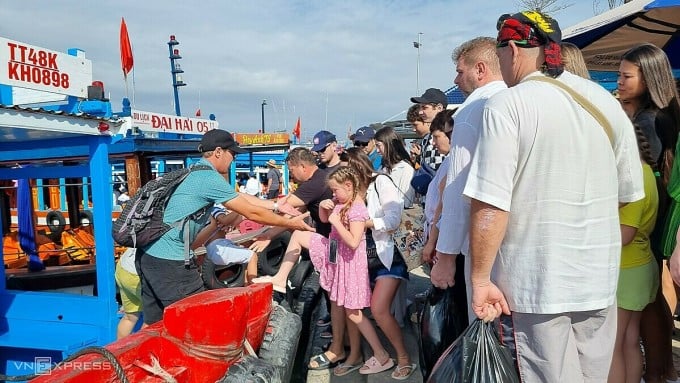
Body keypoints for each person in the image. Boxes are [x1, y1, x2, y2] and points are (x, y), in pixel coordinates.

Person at [464, 11, 643, 382]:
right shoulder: (605, 101)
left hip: (538, 279)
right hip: (598, 275)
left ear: (512, 49)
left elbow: (490, 204)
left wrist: (480, 280)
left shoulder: (507, 105)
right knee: (594, 374)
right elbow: (626, 194)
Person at [137, 129, 314, 325]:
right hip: (170, 260)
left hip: (149, 255)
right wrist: (290, 222)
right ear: (219, 152)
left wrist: (275, 205)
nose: (234, 158)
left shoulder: (196, 172)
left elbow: (239, 197)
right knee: (199, 321)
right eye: (233, 153)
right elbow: (250, 212)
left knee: (154, 324)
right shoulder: (208, 178)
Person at [273, 166, 396, 376]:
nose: (333, 194)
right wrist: (323, 207)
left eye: (335, 190)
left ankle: (381, 354)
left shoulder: (357, 210)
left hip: (350, 266)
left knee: (354, 313)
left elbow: (355, 241)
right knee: (349, 310)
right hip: (338, 259)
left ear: (349, 186)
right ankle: (367, 352)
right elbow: (323, 219)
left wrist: (336, 222)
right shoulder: (342, 203)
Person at [429, 36, 507, 326]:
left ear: (480, 70)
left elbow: (459, 189)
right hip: (517, 240)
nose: (456, 79)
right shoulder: (517, 101)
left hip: (483, 245)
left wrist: (445, 256)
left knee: (485, 328)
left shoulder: (473, 111)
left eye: (461, 71)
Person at [620, 43, 680, 383]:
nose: (620, 83)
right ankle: (664, 369)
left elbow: (645, 172)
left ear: (649, 77)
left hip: (651, 219)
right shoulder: (664, 114)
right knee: (654, 295)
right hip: (661, 215)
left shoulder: (648, 120)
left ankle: (659, 370)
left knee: (650, 300)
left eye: (627, 76)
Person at [343, 147, 415, 379]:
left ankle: (404, 358)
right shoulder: (350, 193)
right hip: (362, 260)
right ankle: (379, 354)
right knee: (353, 306)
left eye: (346, 170)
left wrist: (364, 223)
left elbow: (393, 219)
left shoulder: (381, 182)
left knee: (379, 309)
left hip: (388, 257)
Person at [608, 124, 660, 383]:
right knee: (629, 341)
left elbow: (624, 235)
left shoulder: (631, 177)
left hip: (625, 271)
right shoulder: (648, 171)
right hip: (640, 266)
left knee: (612, 347)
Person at [421, 109, 454, 265]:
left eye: (436, 137)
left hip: (441, 236)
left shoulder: (453, 164)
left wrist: (431, 243)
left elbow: (442, 207)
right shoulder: (448, 161)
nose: (433, 143)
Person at [373, 126, 415, 208]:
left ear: (388, 144)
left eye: (379, 146)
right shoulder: (383, 167)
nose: (377, 150)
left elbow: (405, 201)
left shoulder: (405, 169)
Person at [410, 88, 448, 172]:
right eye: (420, 108)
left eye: (424, 107)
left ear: (439, 108)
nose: (420, 112)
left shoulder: (452, 133)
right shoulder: (427, 138)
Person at [115, 247, 141, 339]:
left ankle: (118, 351)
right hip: (139, 274)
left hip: (124, 267)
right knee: (154, 318)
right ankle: (143, 352)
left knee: (130, 317)